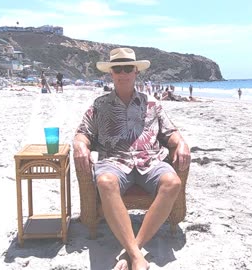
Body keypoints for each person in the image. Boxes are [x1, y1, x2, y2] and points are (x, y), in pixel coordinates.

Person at [73, 48, 190, 270]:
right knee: (105, 182)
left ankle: (131, 253)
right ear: (111, 73)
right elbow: (83, 132)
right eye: (118, 68)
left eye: (128, 68)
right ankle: (138, 256)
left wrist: (181, 142)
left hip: (151, 161)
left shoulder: (152, 104)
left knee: (173, 182)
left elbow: (170, 132)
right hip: (114, 162)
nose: (123, 72)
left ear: (136, 72)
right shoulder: (100, 105)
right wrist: (79, 144)